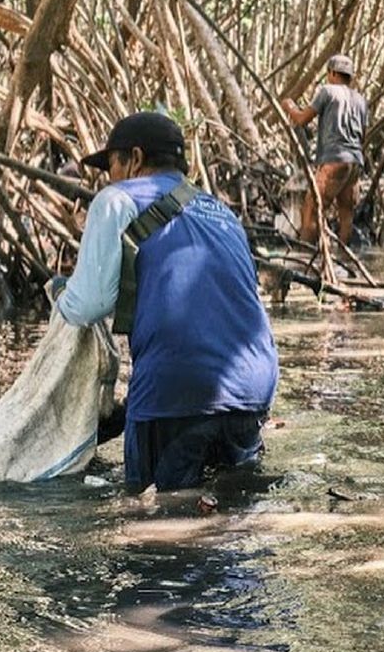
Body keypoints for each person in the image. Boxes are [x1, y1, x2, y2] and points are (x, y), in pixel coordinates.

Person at [52, 111, 279, 493]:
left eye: (111, 164)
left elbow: (87, 304)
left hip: (175, 391)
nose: (108, 177)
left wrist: (59, 291)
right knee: (232, 515)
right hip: (254, 386)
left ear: (134, 158)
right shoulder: (222, 212)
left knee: (159, 525)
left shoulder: (115, 200)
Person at [282, 54, 368, 246]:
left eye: (328, 74)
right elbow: (363, 135)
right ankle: (343, 262)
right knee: (346, 214)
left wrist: (289, 107)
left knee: (311, 210)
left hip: (334, 160)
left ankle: (304, 258)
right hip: (354, 162)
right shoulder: (360, 100)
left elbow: (302, 119)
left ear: (333, 73)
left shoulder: (327, 91)